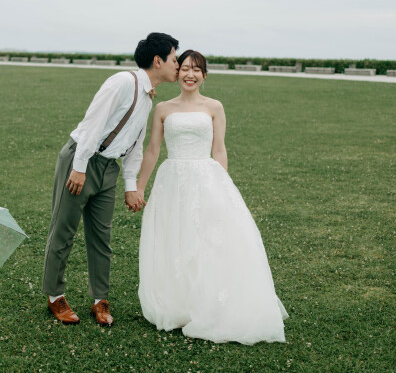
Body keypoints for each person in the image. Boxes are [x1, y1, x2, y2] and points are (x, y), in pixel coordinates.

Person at [135, 50, 288, 343]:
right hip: (172, 181)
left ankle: (210, 302)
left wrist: (223, 186)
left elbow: (219, 148)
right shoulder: (163, 108)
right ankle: (179, 303)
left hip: (205, 179)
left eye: (197, 70)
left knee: (208, 240)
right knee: (175, 238)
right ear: (177, 73)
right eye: (185, 69)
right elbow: (152, 150)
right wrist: (140, 187)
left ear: (204, 75)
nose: (190, 74)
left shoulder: (214, 107)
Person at [43, 32, 180, 326]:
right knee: (63, 231)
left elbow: (135, 145)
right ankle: (55, 297)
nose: (178, 65)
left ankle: (100, 300)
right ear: (158, 61)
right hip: (81, 159)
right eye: (174, 58)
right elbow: (93, 123)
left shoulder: (148, 98)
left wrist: (131, 186)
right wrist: (79, 166)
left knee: (102, 238)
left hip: (108, 168)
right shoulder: (122, 82)